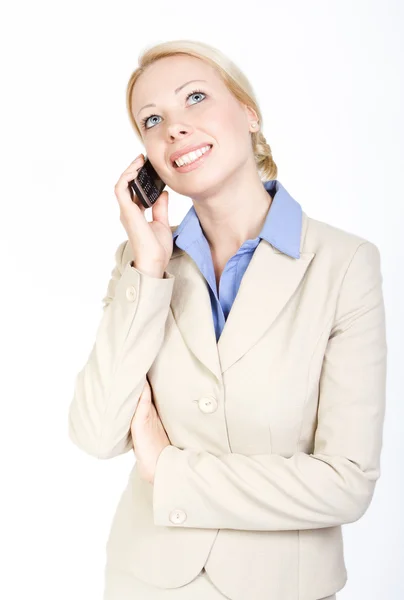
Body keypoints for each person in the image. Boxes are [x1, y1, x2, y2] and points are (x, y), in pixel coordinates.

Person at [67, 39, 387, 600]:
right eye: (152, 119)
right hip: (145, 582)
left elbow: (345, 484)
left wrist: (166, 466)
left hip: (283, 587)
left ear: (249, 113)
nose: (174, 128)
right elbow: (96, 433)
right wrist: (148, 267)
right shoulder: (146, 264)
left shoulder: (345, 264)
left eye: (195, 97)